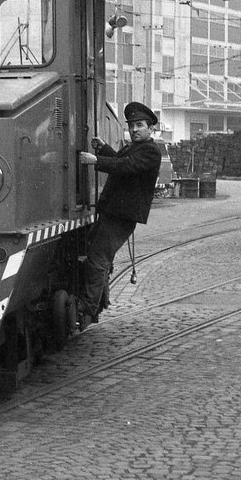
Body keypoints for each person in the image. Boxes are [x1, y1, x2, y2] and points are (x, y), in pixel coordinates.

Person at [78, 101, 163, 321]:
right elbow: (120, 159)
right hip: (113, 212)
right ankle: (98, 301)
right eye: (132, 125)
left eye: (140, 125)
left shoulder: (151, 151)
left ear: (150, 128)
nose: (134, 129)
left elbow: (126, 166)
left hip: (122, 216)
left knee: (97, 257)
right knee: (96, 255)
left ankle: (86, 308)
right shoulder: (135, 148)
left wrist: (96, 160)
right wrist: (104, 148)